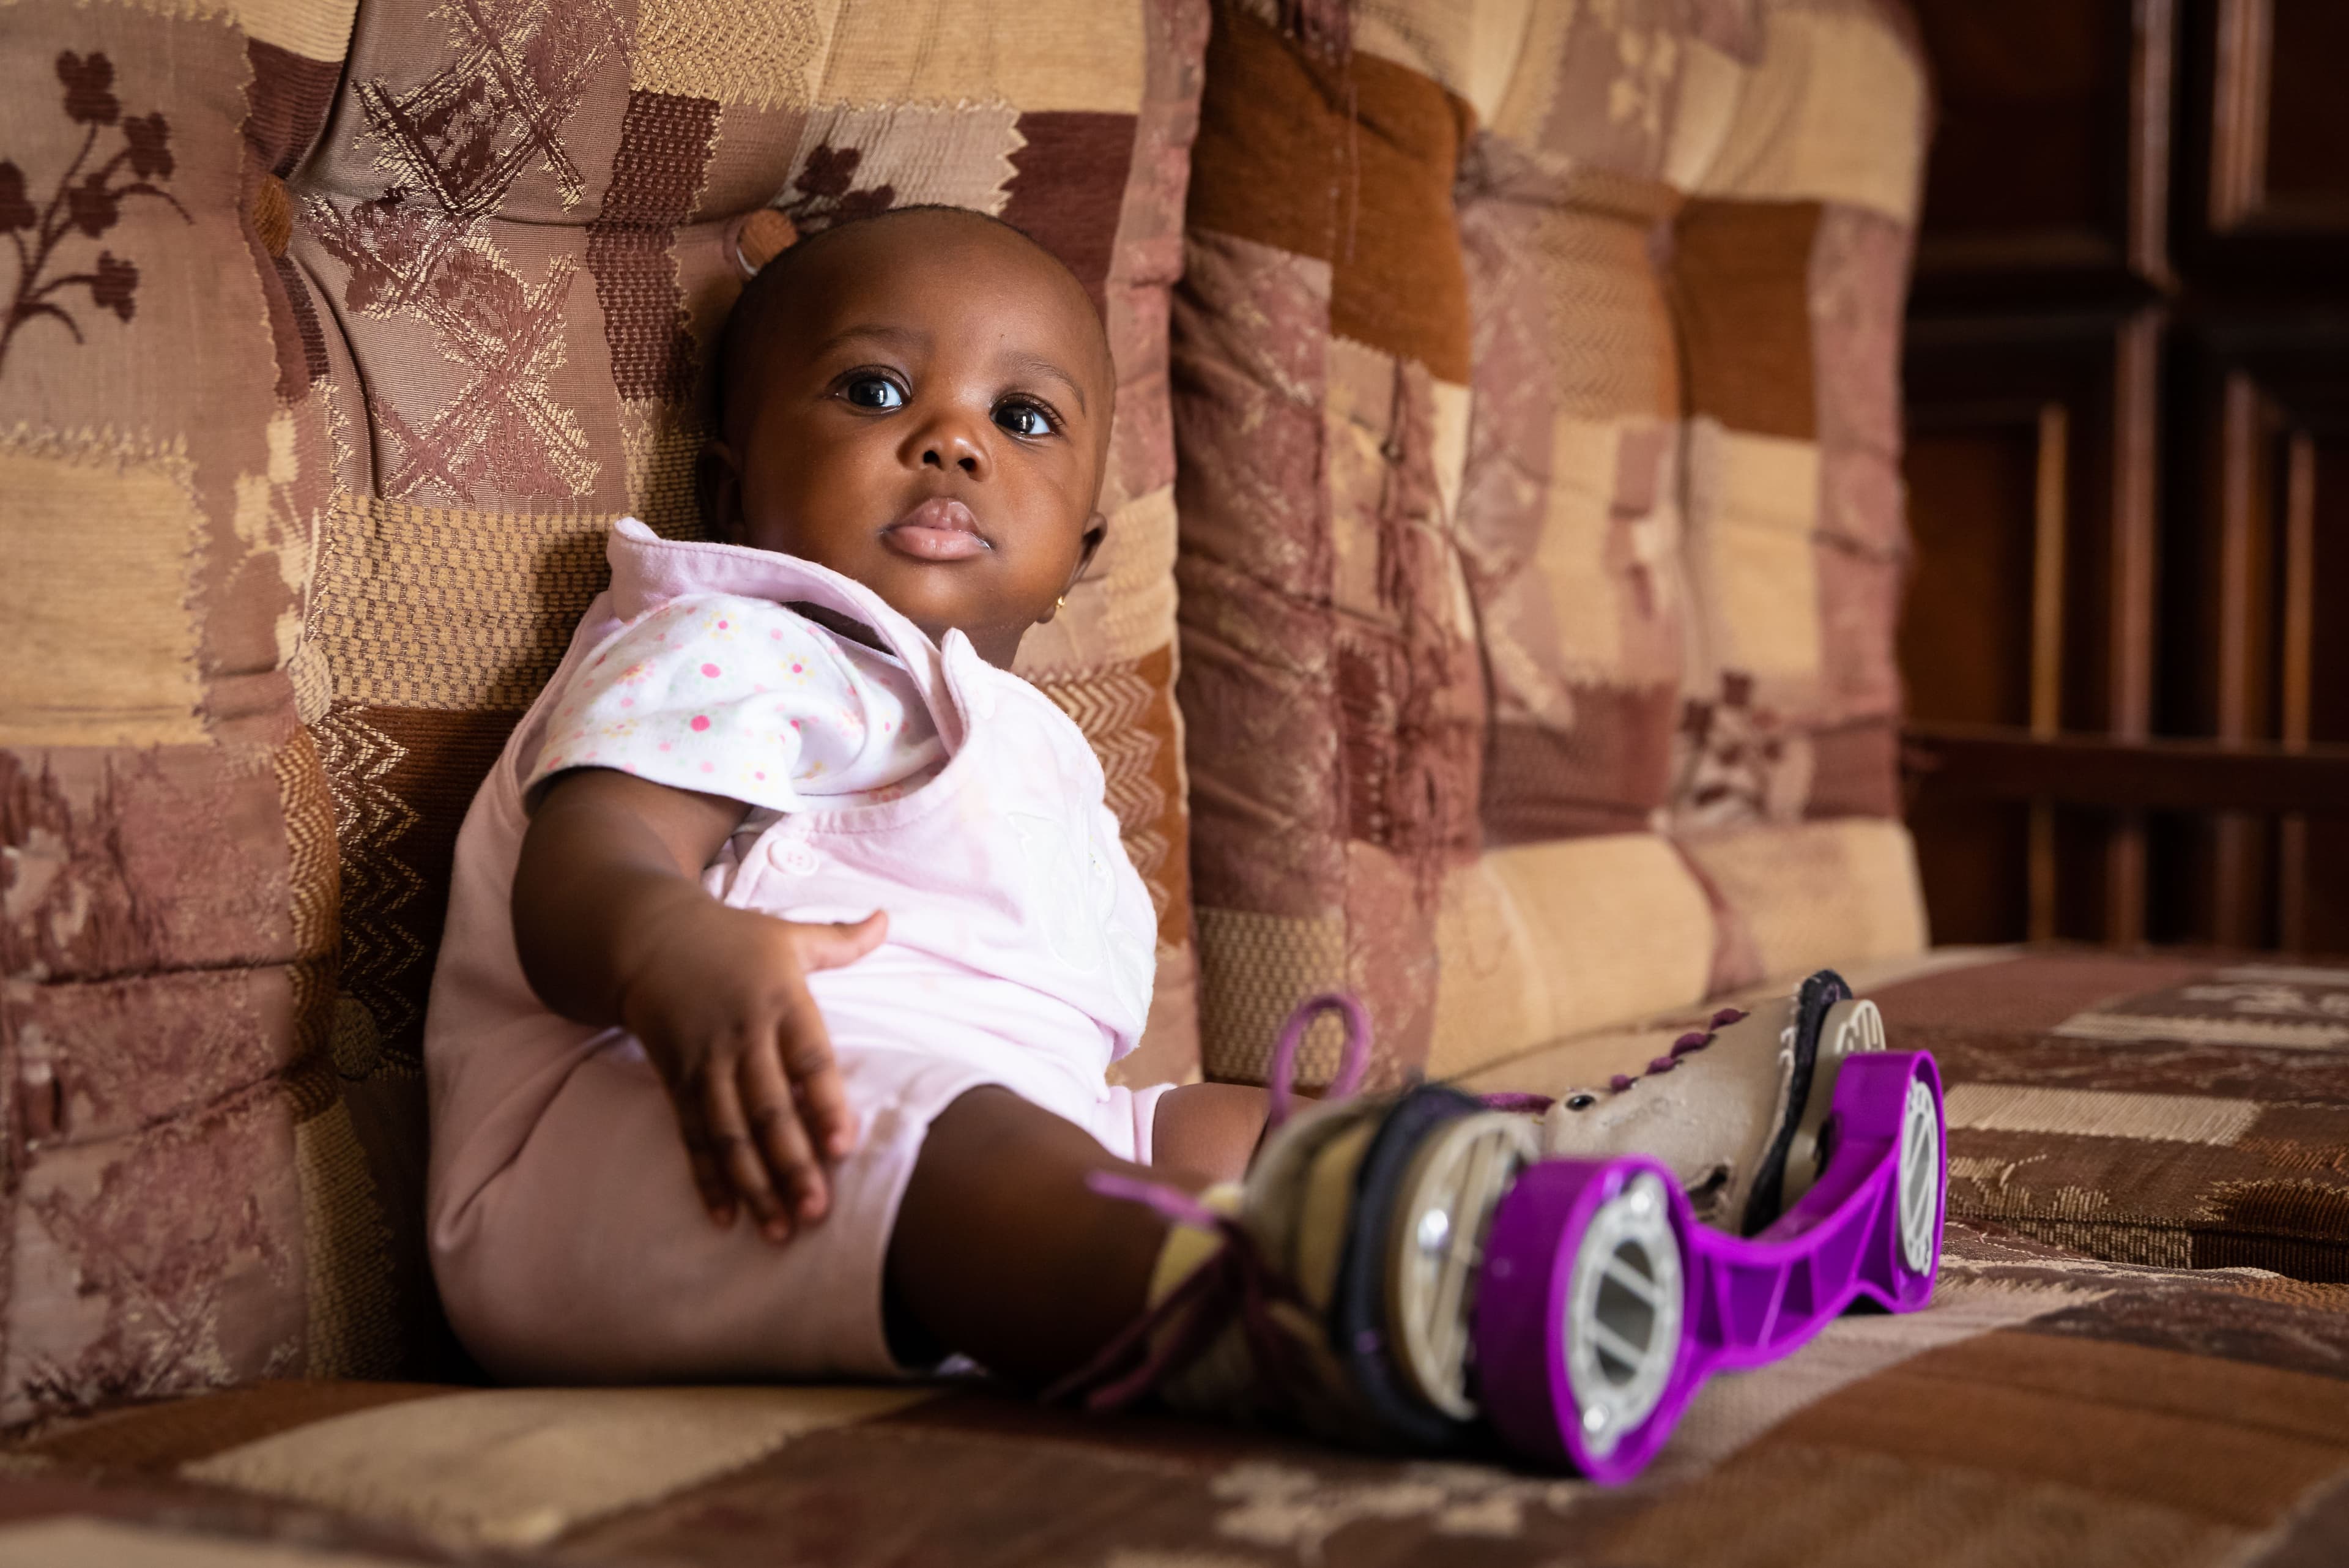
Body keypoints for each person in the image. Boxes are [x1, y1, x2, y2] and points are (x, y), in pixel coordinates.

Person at [424, 205, 1887, 1440]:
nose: (950, 442)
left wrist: (1192, 1142)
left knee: (1231, 1120)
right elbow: (588, 866)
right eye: (874, 394)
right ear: (736, 479)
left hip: (974, 1129)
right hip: (663, 1137)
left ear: (1080, 553)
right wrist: (670, 941)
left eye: (1024, 417)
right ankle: (1294, 1312)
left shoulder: (1045, 758)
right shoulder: (736, 638)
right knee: (979, 1145)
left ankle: (1570, 1175)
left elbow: (1083, 1075)